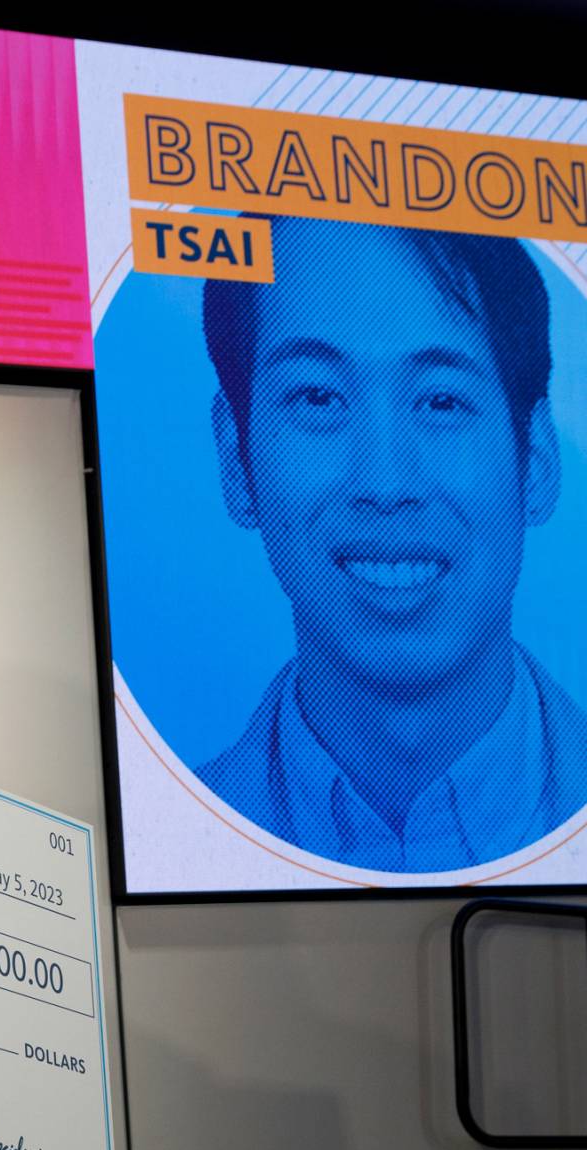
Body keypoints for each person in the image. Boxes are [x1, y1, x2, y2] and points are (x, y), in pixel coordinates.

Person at [195, 218, 587, 873]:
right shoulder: (174, 833)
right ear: (237, 460)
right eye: (319, 396)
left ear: (538, 458)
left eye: (440, 401)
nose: (385, 483)